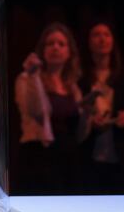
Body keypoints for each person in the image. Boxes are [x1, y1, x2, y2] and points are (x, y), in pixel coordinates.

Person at [14, 22, 85, 194]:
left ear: (69, 52)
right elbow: (36, 111)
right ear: (42, 51)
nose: (55, 48)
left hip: (69, 158)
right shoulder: (27, 79)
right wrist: (33, 76)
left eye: (61, 44)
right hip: (40, 157)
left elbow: (80, 130)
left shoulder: (73, 87)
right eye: (50, 43)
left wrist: (89, 114)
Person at [78, 22, 124, 194]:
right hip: (89, 157)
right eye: (96, 35)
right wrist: (89, 121)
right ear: (89, 42)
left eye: (106, 34)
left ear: (112, 41)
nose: (102, 39)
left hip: (121, 155)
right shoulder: (81, 77)